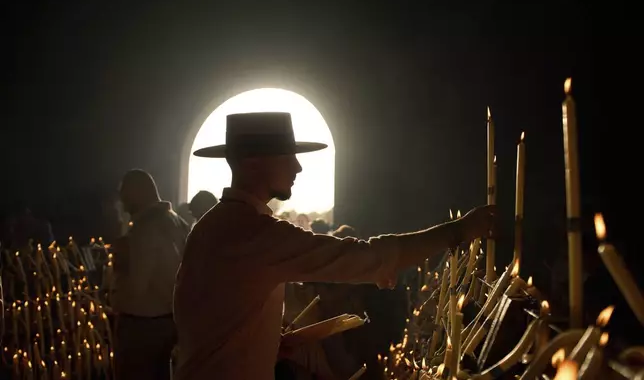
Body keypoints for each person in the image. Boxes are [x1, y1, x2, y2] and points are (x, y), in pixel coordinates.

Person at [173, 112, 495, 380]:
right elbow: (361, 258)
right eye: (289, 156)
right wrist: (459, 230)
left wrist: (265, 343)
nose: (298, 167)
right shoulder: (252, 233)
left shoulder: (212, 225)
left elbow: (210, 319)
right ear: (255, 163)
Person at [112, 169, 190, 380]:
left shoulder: (144, 230)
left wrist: (119, 268)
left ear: (138, 192)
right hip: (170, 321)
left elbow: (137, 287)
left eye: (124, 192)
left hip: (142, 327)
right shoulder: (178, 223)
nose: (121, 199)